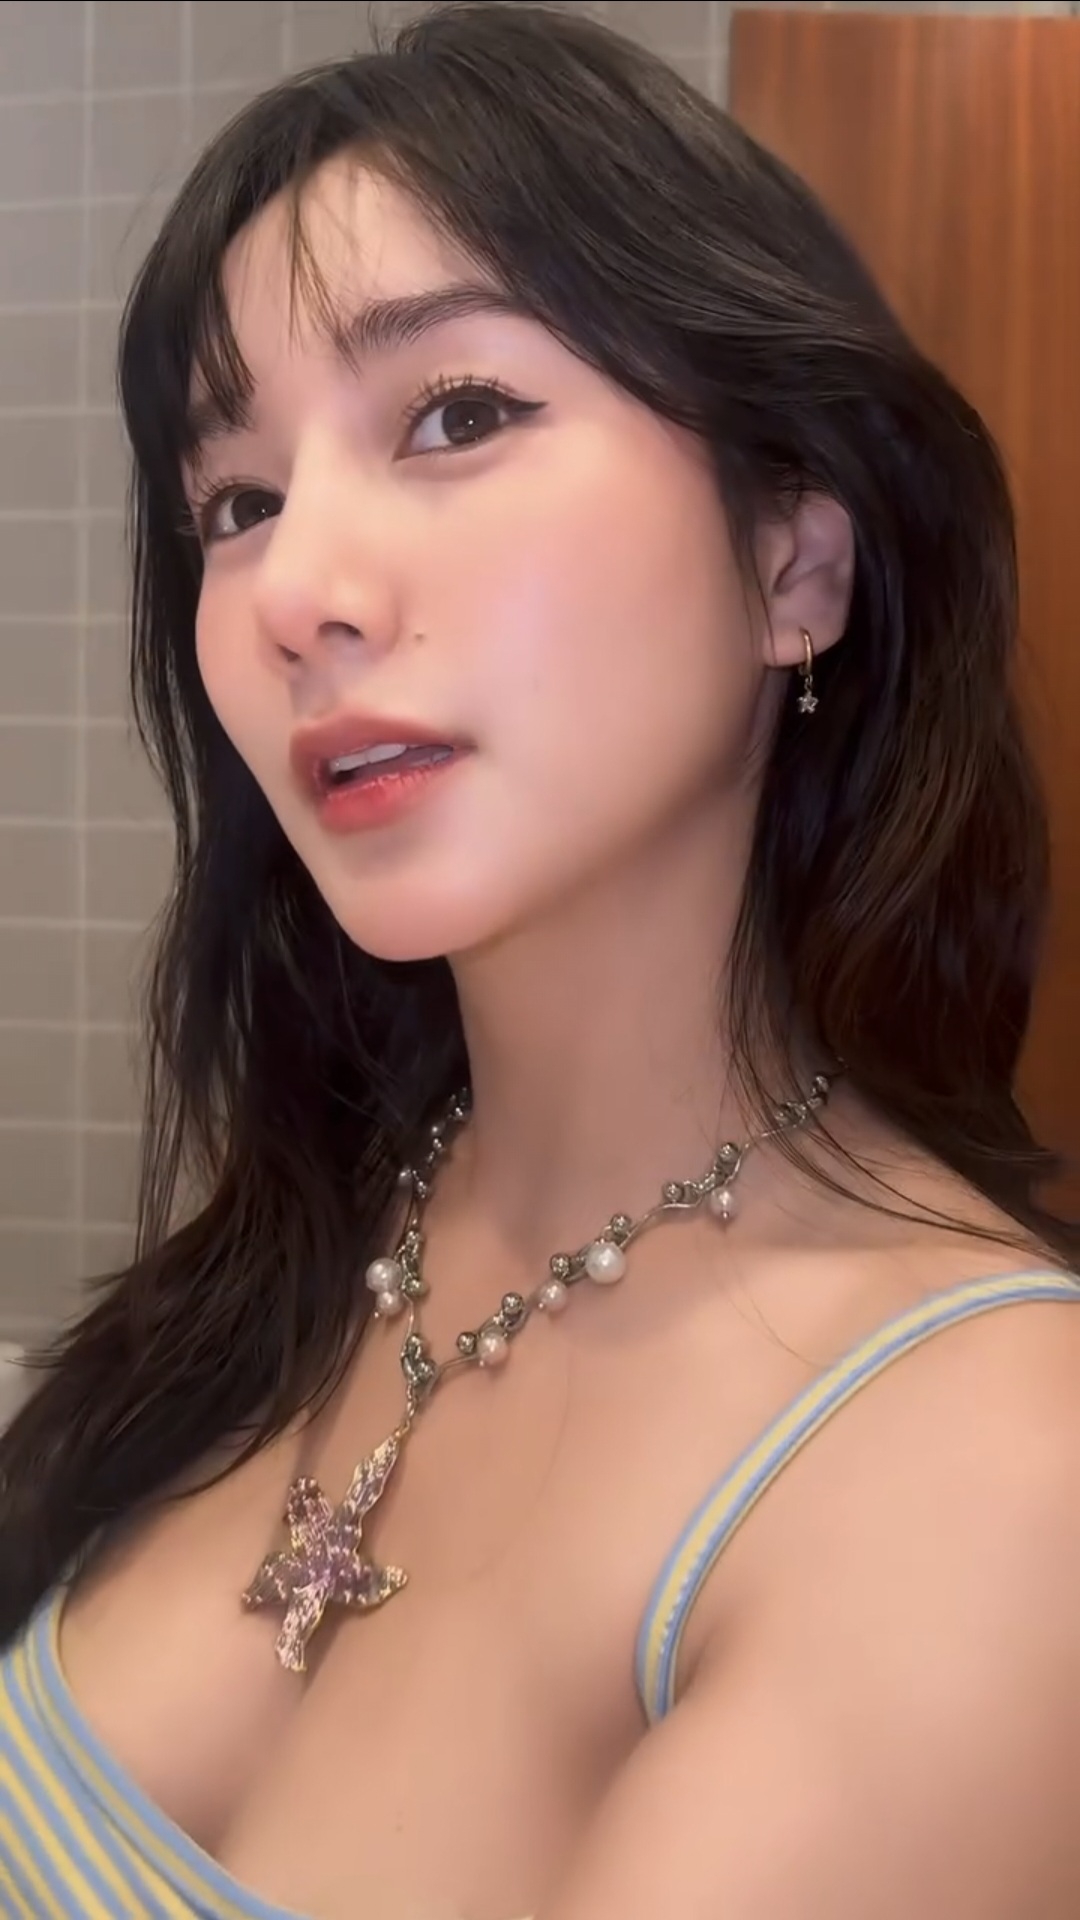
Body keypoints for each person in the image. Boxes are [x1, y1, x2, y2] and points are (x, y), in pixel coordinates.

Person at [2, 4, 1079, 1915]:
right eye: (236, 503)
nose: (297, 593)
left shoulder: (994, 1479)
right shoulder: (309, 1229)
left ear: (794, 562)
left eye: (459, 415)